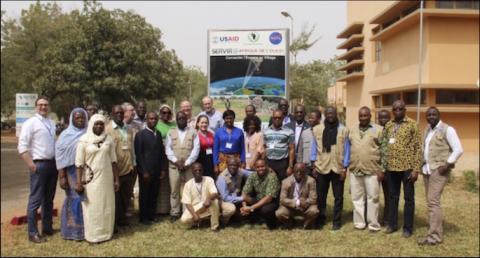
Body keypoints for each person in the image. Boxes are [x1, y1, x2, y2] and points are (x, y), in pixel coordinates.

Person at [418, 107, 463, 245]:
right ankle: (433, 230)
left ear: (439, 115)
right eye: (428, 115)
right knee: (431, 202)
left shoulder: (447, 129)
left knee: (433, 202)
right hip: (427, 170)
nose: (431, 116)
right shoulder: (427, 130)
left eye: (433, 114)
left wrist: (447, 164)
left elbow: (458, 149)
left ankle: (435, 237)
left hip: (439, 170)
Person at [18, 96, 58, 243]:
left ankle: (47, 227)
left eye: (46, 105)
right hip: (39, 164)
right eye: (40, 105)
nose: (43, 107)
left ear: (49, 107)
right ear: (36, 107)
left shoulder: (51, 123)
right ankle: (33, 232)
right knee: (35, 200)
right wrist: (31, 164)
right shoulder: (30, 123)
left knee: (48, 199)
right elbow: (22, 146)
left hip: (52, 164)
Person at [75, 114, 119, 244]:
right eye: (96, 124)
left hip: (106, 179)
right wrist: (78, 182)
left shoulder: (108, 139)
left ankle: (106, 234)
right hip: (91, 181)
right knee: (92, 207)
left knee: (106, 205)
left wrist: (116, 180)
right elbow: (79, 164)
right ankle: (93, 236)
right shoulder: (84, 140)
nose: (99, 126)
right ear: (91, 125)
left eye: (101, 124)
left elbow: (114, 161)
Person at [382, 100, 421, 238]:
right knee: (393, 197)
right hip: (391, 168)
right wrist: (383, 167)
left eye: (400, 108)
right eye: (395, 109)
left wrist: (416, 169)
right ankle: (392, 224)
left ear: (405, 109)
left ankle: (408, 228)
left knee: (408, 198)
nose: (397, 110)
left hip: (407, 168)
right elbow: (384, 147)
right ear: (392, 111)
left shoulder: (412, 124)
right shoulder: (388, 125)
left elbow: (417, 147)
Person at [310, 106, 350, 230]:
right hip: (322, 167)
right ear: (325, 115)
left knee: (338, 197)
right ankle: (321, 219)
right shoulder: (317, 129)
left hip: (338, 168)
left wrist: (345, 168)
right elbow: (313, 149)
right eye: (328, 113)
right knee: (321, 196)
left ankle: (337, 221)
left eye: (332, 113)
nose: (330, 115)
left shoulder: (343, 130)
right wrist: (313, 166)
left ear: (336, 114)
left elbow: (347, 150)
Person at [347, 107, 383, 232]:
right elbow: (348, 147)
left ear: (370, 116)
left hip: (372, 170)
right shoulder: (352, 129)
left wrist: (382, 169)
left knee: (373, 198)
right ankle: (359, 223)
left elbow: (384, 150)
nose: (363, 118)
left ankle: (373, 224)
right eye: (361, 116)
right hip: (355, 169)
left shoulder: (378, 130)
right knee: (357, 198)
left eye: (365, 115)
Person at [55, 108, 88, 241]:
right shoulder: (65, 135)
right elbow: (60, 156)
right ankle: (72, 231)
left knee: (86, 200)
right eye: (77, 118)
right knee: (74, 198)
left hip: (87, 171)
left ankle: (87, 230)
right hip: (71, 171)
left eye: (82, 118)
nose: (80, 120)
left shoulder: (89, 133)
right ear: (72, 119)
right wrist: (62, 176)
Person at [134, 111, 169, 225]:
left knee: (154, 194)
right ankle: (143, 217)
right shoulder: (140, 135)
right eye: (151, 119)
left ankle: (151, 215)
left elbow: (162, 153)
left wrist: (163, 169)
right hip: (146, 171)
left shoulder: (158, 134)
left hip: (157, 170)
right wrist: (144, 171)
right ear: (147, 120)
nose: (153, 121)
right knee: (144, 194)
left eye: (155, 119)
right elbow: (138, 155)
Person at [165, 111, 200, 221]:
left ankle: (187, 212)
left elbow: (196, 149)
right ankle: (175, 212)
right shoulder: (171, 132)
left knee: (188, 190)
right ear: (176, 120)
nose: (181, 120)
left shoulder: (193, 132)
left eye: (183, 118)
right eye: (179, 118)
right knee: (174, 190)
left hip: (189, 167)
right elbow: (168, 148)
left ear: (187, 119)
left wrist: (187, 163)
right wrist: (176, 161)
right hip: (174, 167)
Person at [106, 105, 136, 228]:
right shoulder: (107, 129)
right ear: (112, 114)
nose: (119, 115)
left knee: (126, 196)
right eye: (116, 113)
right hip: (115, 170)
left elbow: (132, 148)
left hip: (128, 168)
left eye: (121, 113)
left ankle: (122, 219)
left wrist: (134, 164)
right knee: (115, 198)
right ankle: (114, 221)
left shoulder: (129, 129)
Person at [180, 163, 232, 231]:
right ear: (192, 172)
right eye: (195, 170)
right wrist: (194, 215)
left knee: (214, 201)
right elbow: (187, 203)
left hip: (208, 205)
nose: (198, 172)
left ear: (203, 171)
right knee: (184, 220)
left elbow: (215, 193)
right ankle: (198, 220)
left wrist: (208, 199)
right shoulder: (188, 184)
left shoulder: (209, 179)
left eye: (200, 170)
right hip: (196, 208)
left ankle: (215, 226)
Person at [275, 163, 319, 229]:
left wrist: (306, 202)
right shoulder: (286, 182)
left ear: (305, 172)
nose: (299, 173)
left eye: (301, 171)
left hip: (305, 206)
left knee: (314, 211)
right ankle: (290, 223)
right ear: (293, 171)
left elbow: (313, 199)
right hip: (291, 207)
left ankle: (306, 224)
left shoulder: (311, 181)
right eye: (297, 171)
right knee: (279, 213)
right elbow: (282, 199)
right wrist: (297, 203)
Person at [240, 159, 280, 230]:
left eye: (262, 166)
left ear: (267, 166)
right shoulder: (252, 175)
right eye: (258, 167)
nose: (260, 168)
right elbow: (244, 193)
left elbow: (269, 198)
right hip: (258, 199)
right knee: (243, 201)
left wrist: (252, 208)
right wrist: (245, 207)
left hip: (271, 202)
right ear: (255, 168)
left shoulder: (272, 177)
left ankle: (272, 223)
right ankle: (257, 219)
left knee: (265, 210)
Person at [216, 157, 252, 225]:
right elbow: (225, 198)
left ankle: (236, 216)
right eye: (230, 165)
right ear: (227, 165)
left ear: (238, 166)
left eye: (235, 165)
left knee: (244, 213)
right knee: (232, 209)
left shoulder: (239, 171)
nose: (233, 167)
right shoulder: (222, 178)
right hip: (224, 201)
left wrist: (266, 170)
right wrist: (242, 198)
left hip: (236, 198)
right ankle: (222, 220)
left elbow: (252, 174)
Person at [154, 104, 175, 217]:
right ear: (160, 114)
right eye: (163, 113)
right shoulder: (156, 124)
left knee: (169, 184)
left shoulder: (174, 125)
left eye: (168, 113)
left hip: (172, 158)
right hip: (160, 156)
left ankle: (168, 208)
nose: (166, 115)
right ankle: (159, 209)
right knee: (161, 183)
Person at [263, 110, 295, 181]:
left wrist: (290, 166)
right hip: (269, 162)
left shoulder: (289, 131)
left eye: (279, 118)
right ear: (272, 118)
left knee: (282, 184)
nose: (277, 119)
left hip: (282, 163)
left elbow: (292, 149)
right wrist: (264, 163)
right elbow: (264, 148)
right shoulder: (265, 131)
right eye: (275, 117)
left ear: (283, 118)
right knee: (269, 183)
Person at [213, 110, 246, 176]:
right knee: (223, 179)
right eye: (227, 118)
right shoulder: (219, 131)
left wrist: (243, 161)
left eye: (231, 118)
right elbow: (215, 149)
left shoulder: (239, 131)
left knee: (237, 179)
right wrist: (215, 165)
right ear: (224, 119)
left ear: (234, 118)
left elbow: (242, 148)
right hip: (223, 159)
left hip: (236, 159)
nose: (229, 120)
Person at [285, 104, 314, 173]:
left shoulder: (309, 127)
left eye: (301, 112)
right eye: (297, 112)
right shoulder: (287, 127)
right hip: (288, 160)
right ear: (294, 113)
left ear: (305, 113)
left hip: (303, 161)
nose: (299, 114)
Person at [377, 109, 391, 226]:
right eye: (380, 118)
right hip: (374, 168)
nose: (382, 120)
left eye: (385, 117)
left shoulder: (392, 131)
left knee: (388, 195)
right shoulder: (375, 130)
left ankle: (387, 218)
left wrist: (383, 169)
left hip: (388, 170)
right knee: (372, 195)